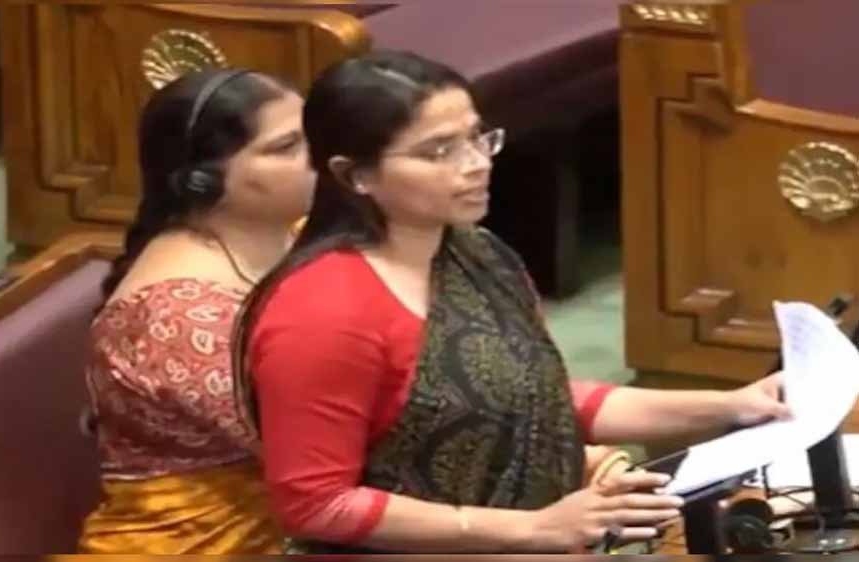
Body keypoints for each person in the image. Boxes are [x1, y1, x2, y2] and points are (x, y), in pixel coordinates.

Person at [232, 51, 789, 554]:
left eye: (478, 138)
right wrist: (532, 529)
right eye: (439, 151)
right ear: (354, 175)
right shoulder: (320, 313)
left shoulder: (478, 252)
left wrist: (733, 405)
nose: (476, 163)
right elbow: (317, 505)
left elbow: (538, 398)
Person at [78, 67, 314, 554]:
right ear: (203, 182)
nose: (322, 155)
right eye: (287, 147)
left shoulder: (291, 233)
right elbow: (325, 457)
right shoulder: (180, 318)